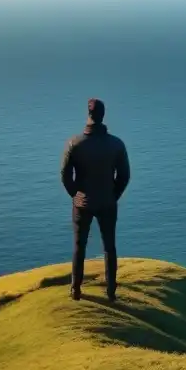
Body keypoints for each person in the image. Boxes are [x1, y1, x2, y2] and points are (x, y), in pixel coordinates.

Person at [60, 97, 130, 302]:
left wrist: (76, 195)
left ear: (88, 115)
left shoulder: (74, 143)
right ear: (103, 115)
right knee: (110, 246)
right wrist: (113, 195)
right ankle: (111, 292)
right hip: (107, 201)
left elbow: (65, 175)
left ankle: (76, 289)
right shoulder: (116, 144)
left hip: (83, 203)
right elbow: (124, 176)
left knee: (79, 245)